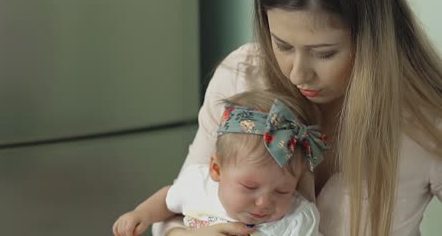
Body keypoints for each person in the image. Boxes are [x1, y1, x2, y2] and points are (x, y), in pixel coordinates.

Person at [147, 0, 442, 235]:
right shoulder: (241, 75)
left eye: (324, 53)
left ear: (374, 39)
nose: (297, 74)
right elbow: (177, 205)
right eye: (283, 45)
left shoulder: (428, 117)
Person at [113, 90, 328, 236]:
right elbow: (167, 198)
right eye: (250, 187)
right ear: (217, 169)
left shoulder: (298, 218)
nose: (264, 202)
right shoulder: (199, 184)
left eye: (282, 191)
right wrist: (141, 214)